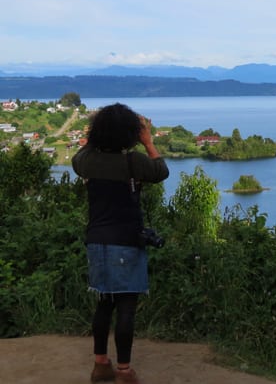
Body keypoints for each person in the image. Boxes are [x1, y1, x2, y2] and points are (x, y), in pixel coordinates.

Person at [73, 103, 169, 384]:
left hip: (97, 241)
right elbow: (161, 171)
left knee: (105, 303)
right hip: (126, 240)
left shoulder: (87, 161)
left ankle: (101, 366)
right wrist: (148, 141)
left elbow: (80, 156)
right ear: (130, 133)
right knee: (126, 306)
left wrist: (91, 138)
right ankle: (125, 372)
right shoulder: (133, 162)